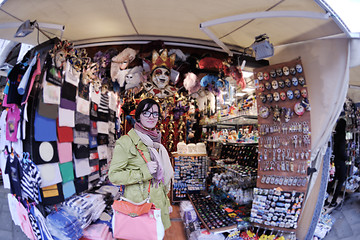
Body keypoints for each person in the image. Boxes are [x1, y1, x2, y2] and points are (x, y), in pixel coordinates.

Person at [109, 98, 174, 230]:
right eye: (146, 113)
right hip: (139, 206)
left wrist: (166, 202)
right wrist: (144, 171)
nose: (152, 117)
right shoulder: (126, 142)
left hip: (158, 205)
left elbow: (160, 180)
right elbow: (114, 176)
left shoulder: (156, 143)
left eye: (155, 114)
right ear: (138, 116)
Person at [326, 118, 348, 207]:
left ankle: (325, 200)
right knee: (340, 181)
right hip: (341, 161)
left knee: (332, 180)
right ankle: (334, 201)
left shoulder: (335, 135)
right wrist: (346, 158)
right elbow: (342, 151)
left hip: (335, 161)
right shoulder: (342, 136)